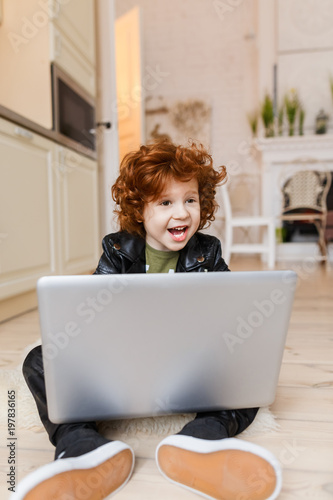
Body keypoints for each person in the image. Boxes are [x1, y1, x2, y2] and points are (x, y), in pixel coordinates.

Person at [14, 141, 282, 500]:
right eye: (166, 202)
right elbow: (93, 318)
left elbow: (231, 310)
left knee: (250, 367)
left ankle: (200, 441)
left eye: (190, 199)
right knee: (39, 360)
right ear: (140, 210)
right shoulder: (118, 248)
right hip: (121, 368)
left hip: (189, 369)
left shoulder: (208, 251)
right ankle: (82, 447)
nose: (182, 213)